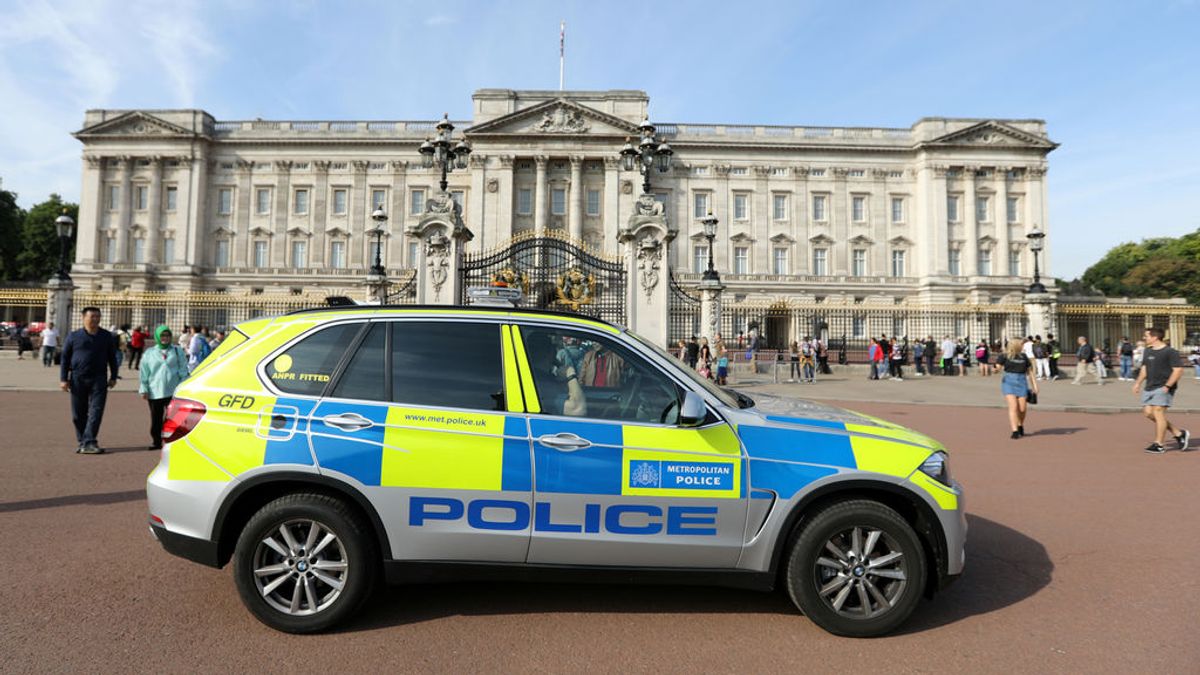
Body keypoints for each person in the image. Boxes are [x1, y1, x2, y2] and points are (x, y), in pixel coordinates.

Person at [59, 306, 119, 454]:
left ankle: (90, 441)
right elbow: (65, 358)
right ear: (83, 317)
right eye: (92, 316)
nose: (95, 319)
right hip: (78, 377)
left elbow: (113, 357)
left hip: (99, 377)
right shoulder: (73, 336)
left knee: (96, 411)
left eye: (98, 317)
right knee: (78, 413)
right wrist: (63, 379)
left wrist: (113, 376)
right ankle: (83, 441)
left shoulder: (106, 336)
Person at [1132, 327, 1190, 454]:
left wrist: (1168, 386)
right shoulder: (1147, 351)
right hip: (1149, 386)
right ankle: (1178, 433)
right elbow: (1144, 368)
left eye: (1146, 336)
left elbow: (1178, 370)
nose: (1144, 338)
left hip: (1163, 387)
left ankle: (1159, 444)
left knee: (1158, 412)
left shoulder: (1170, 352)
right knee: (1148, 413)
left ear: (1155, 337)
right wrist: (1138, 383)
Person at [139, 326, 190, 450]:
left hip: (173, 390)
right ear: (157, 337)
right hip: (155, 391)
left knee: (173, 418)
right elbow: (144, 372)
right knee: (156, 419)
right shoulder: (149, 353)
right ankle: (156, 441)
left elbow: (183, 369)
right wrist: (143, 388)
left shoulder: (177, 351)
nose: (165, 338)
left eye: (167, 336)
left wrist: (184, 386)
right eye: (162, 336)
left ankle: (172, 441)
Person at [996, 337, 1038, 439]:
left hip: (1021, 382)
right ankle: (1014, 430)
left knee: (1022, 409)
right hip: (1009, 382)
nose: (1023, 346)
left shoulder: (1024, 357)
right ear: (1016, 345)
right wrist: (995, 369)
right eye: (1022, 344)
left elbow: (1030, 372)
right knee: (1013, 406)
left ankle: (1020, 425)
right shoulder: (1004, 356)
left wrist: (1035, 386)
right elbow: (998, 367)